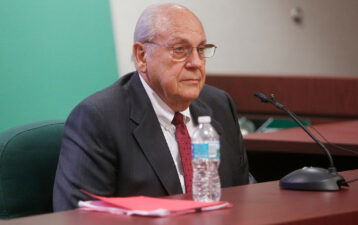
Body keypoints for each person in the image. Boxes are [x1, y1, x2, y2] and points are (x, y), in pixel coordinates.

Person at [53, 3, 254, 211]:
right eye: (180, 50)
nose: (196, 63)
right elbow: (77, 214)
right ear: (142, 56)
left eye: (201, 50)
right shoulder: (98, 118)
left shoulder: (219, 105)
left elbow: (243, 192)